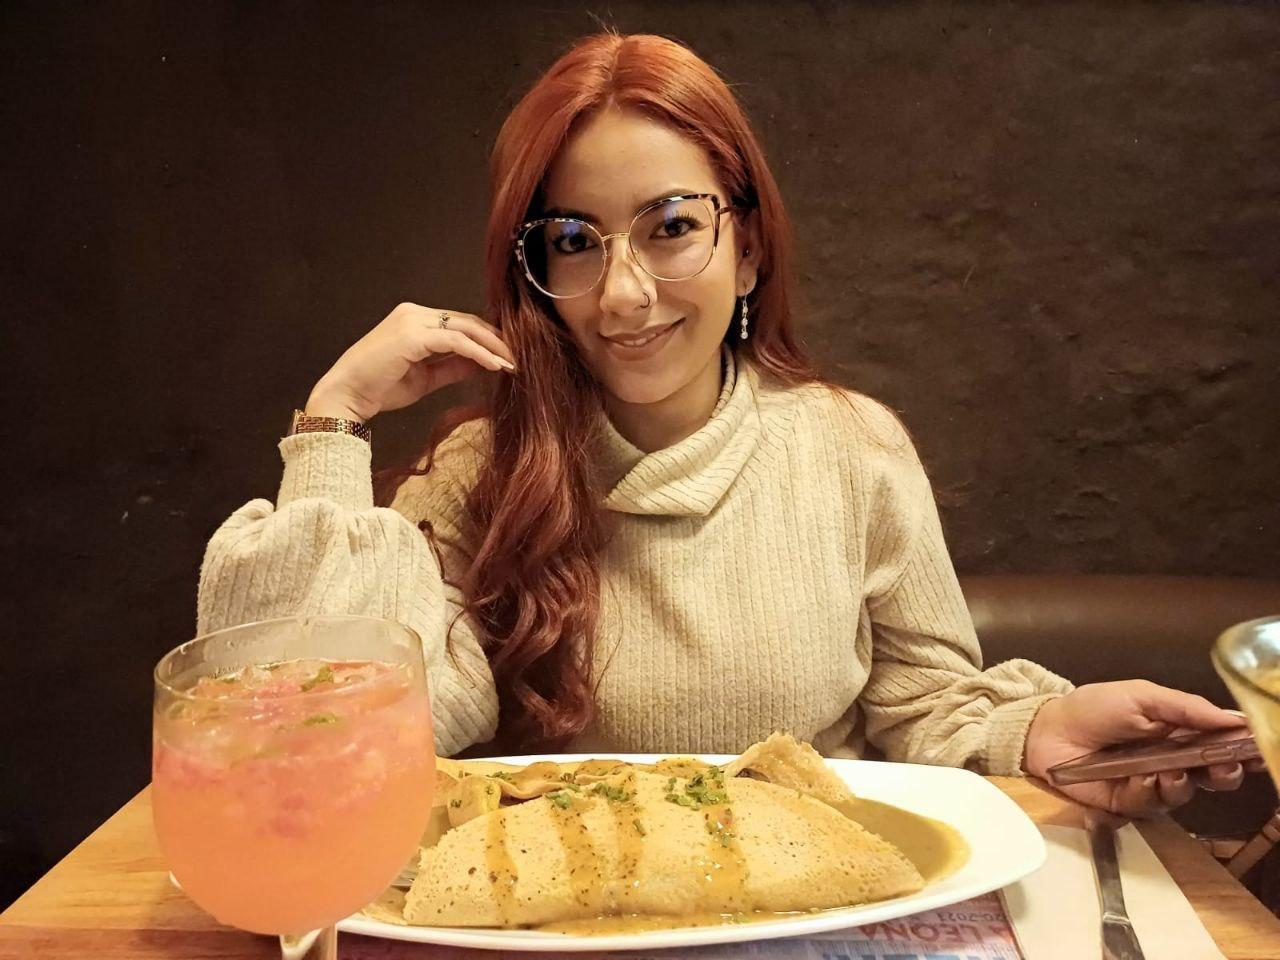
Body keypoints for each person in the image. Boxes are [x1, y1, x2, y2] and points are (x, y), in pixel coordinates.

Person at [198, 32, 1254, 817]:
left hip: (816, 910)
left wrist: (1040, 729)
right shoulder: (485, 470)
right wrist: (332, 425)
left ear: (746, 248)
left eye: (669, 227)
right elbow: (322, 750)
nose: (623, 294)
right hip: (559, 918)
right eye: (574, 240)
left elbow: (926, 706)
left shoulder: (853, 448)